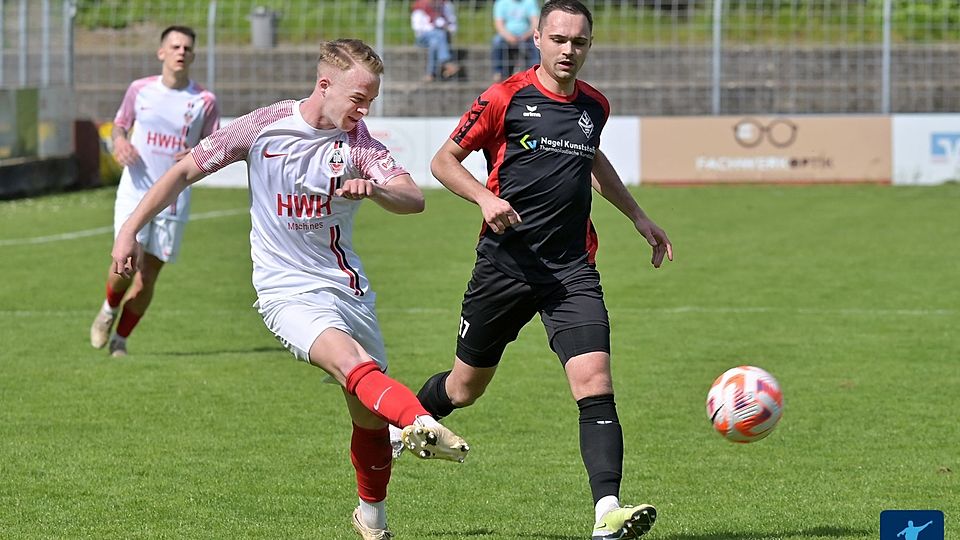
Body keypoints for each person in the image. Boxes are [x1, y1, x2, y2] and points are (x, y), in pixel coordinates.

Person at [109, 39, 470, 540]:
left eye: (372, 100)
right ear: (325, 85)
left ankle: (372, 516)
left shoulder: (359, 143)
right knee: (350, 365)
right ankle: (419, 420)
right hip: (284, 289)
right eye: (359, 98)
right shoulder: (265, 126)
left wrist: (377, 188)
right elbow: (186, 169)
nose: (365, 110)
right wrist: (129, 229)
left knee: (366, 420)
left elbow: (413, 198)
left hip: (347, 289)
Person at [413, 1, 672, 538]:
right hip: (505, 267)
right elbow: (443, 162)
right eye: (558, 39)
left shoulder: (593, 106)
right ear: (537, 38)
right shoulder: (504, 98)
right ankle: (401, 420)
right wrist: (485, 201)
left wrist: (638, 217)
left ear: (589, 44)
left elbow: (592, 159)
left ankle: (607, 513)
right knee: (463, 390)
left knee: (595, 380)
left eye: (578, 42)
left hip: (571, 270)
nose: (567, 50)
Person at [89, 25, 220, 357]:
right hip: (135, 189)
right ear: (161, 52)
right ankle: (108, 308)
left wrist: (197, 154)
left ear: (193, 55)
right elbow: (119, 126)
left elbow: (215, 147)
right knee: (125, 265)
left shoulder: (204, 101)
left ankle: (120, 341)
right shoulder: (140, 90)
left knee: (147, 278)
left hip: (174, 200)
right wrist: (119, 142)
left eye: (187, 48)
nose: (181, 52)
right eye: (175, 46)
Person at [411, 0, 461, 82]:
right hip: (423, 38)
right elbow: (418, 29)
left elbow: (453, 26)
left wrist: (445, 27)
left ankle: (430, 74)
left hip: (441, 38)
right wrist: (435, 27)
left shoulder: (445, 6)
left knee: (434, 43)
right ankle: (446, 63)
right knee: (439, 35)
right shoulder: (420, 7)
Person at [491, 0, 540, 82]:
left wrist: (526, 34)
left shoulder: (530, 2)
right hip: (506, 35)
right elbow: (499, 25)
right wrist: (508, 36)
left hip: (526, 35)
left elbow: (535, 22)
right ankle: (498, 72)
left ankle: (535, 71)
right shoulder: (501, 3)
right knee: (497, 41)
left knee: (536, 42)